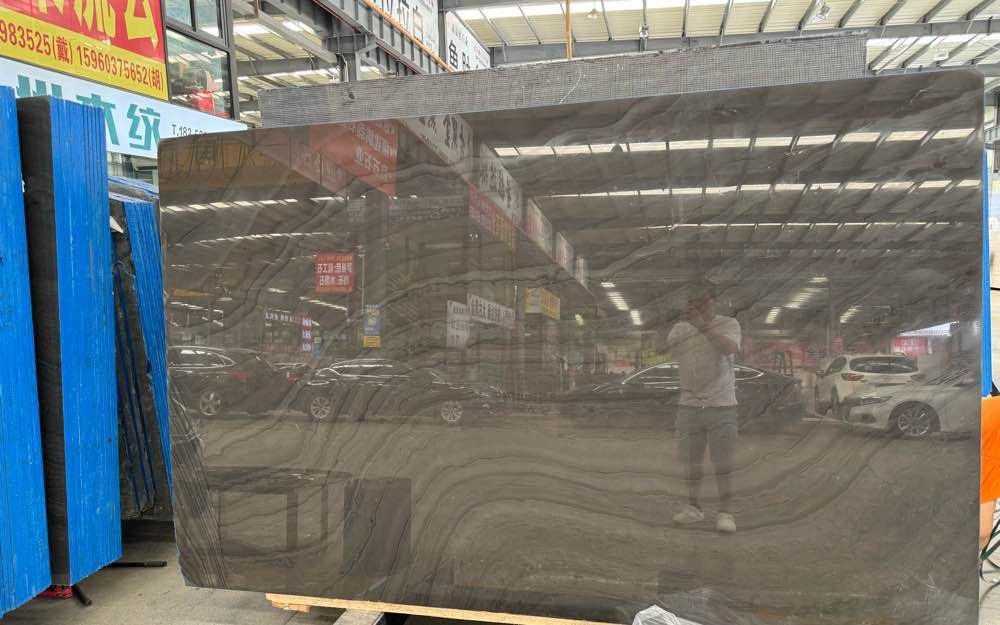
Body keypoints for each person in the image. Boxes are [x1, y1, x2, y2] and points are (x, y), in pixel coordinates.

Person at [662, 280, 741, 533]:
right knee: (691, 462)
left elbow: (729, 348)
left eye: (702, 301)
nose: (697, 306)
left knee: (723, 462)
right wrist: (666, 321)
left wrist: (702, 326)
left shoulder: (729, 323)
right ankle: (693, 508)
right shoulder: (680, 328)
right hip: (689, 404)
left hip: (722, 404)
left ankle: (726, 513)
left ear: (713, 301)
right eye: (692, 302)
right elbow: (661, 349)